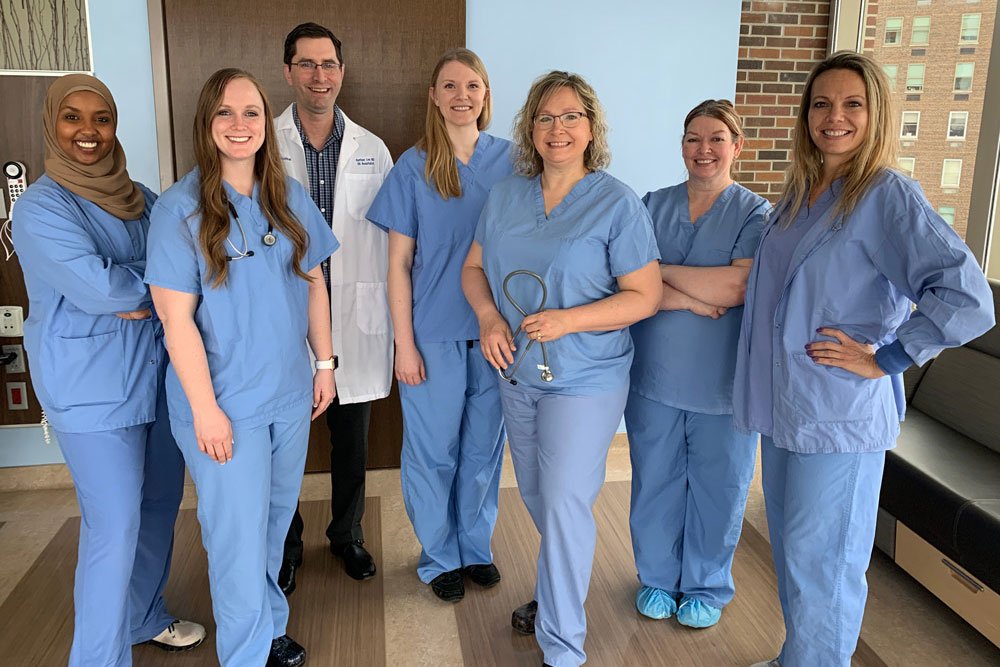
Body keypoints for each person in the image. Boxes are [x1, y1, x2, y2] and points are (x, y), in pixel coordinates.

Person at [734, 52, 994, 667]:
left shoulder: (887, 195)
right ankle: (799, 657)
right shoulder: (802, 192)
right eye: (821, 103)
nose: (835, 117)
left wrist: (890, 356)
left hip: (839, 413)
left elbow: (968, 296)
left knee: (828, 562)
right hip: (786, 407)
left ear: (875, 115)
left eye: (853, 104)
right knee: (797, 552)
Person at [462, 71, 661, 667]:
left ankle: (563, 647)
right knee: (538, 495)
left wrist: (568, 321)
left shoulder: (616, 202)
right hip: (517, 374)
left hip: (587, 378)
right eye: (546, 118)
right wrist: (488, 319)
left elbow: (644, 295)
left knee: (566, 501)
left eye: (572, 116)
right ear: (529, 129)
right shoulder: (505, 197)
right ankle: (556, 594)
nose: (558, 128)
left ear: (591, 127)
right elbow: (474, 271)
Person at [145, 68, 339, 667]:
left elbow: (313, 282)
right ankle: (246, 654)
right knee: (234, 538)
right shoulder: (180, 211)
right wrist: (205, 411)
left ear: (265, 123)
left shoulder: (286, 196)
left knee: (274, 525)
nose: (239, 125)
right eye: (225, 113)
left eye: (251, 112)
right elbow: (176, 322)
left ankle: (268, 627)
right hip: (224, 404)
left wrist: (325, 365)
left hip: (286, 395)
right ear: (206, 124)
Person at [12, 73, 205, 666]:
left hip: (155, 378)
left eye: (101, 118)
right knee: (113, 525)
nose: (88, 132)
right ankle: (97, 658)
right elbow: (100, 287)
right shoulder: (41, 207)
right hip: (91, 391)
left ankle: (143, 617)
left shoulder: (142, 197)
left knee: (156, 509)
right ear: (52, 124)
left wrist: (150, 285)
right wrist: (159, 284)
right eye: (73, 118)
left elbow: (178, 267)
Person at [366, 48, 512, 603]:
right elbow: (397, 266)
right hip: (432, 332)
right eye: (449, 85)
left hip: (497, 332)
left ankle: (475, 547)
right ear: (433, 95)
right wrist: (404, 345)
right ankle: (438, 556)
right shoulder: (414, 166)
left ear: (485, 93)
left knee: (483, 448)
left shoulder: (514, 162)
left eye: (472, 85)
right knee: (433, 450)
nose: (461, 96)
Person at [626, 99, 769, 629]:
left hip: (722, 383)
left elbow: (736, 286)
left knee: (720, 485)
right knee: (655, 479)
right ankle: (658, 578)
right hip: (653, 375)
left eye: (715, 139)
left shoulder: (755, 213)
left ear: (737, 147)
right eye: (693, 139)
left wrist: (661, 275)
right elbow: (629, 286)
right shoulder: (649, 204)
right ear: (681, 145)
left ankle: (706, 585)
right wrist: (689, 296)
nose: (703, 150)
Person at [275, 21, 393, 587]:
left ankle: (346, 535)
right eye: (307, 65)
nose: (319, 76)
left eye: (328, 65)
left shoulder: (373, 149)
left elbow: (393, 242)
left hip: (354, 314)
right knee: (284, 445)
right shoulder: (264, 142)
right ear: (288, 72)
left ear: (341, 73)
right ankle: (286, 543)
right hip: (287, 314)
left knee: (352, 440)